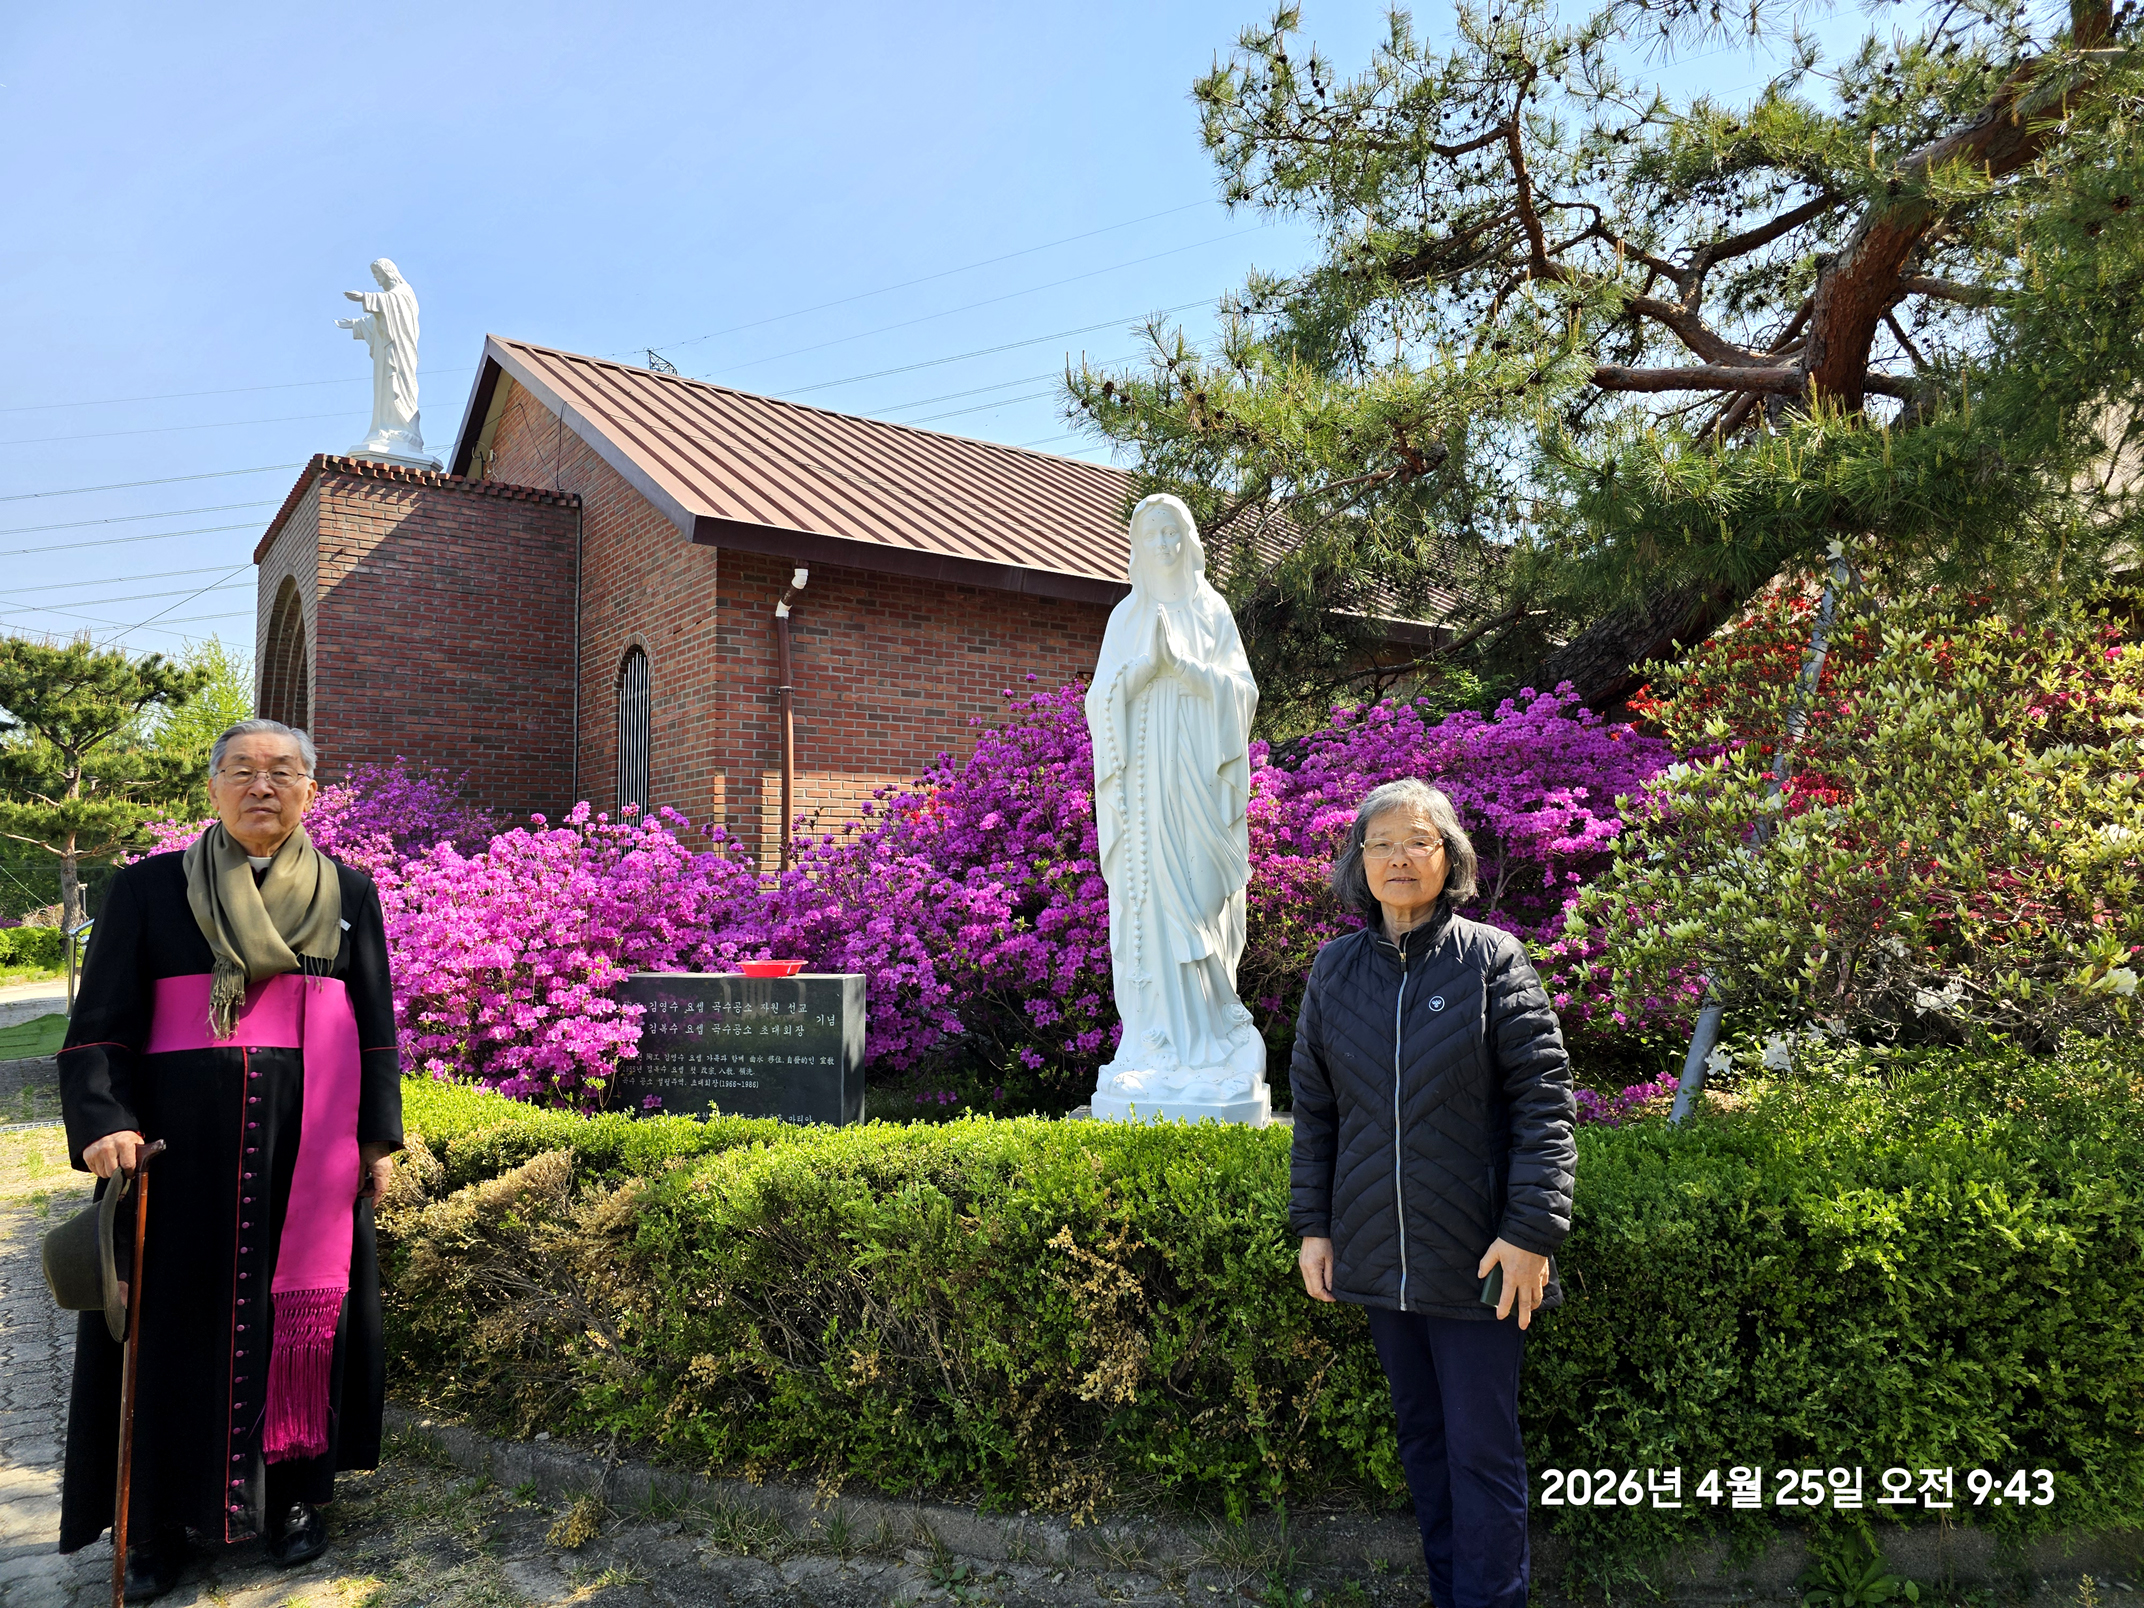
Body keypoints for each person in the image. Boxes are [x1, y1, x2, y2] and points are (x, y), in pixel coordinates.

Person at [58, 719, 402, 1600]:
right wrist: (103, 1119)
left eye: (283, 772)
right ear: (211, 788)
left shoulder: (351, 892)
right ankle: (160, 1524)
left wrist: (376, 1137)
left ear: (310, 792)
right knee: (173, 1325)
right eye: (242, 771)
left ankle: (292, 1501)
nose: (262, 787)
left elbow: (373, 1032)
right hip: (178, 1156)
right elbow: (98, 1027)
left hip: (308, 1150)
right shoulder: (144, 892)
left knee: (304, 1323)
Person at [1288, 777, 1576, 1608]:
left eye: (1418, 841)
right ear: (1360, 863)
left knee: (1481, 1450)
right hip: (1378, 1258)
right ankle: (1451, 1592)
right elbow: (1315, 1114)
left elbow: (1544, 1105)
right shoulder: (1335, 971)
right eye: (1381, 844)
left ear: (1448, 856)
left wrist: (1531, 1234)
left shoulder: (1493, 960)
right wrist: (1315, 1225)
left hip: (1481, 1258)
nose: (1399, 858)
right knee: (1421, 1441)